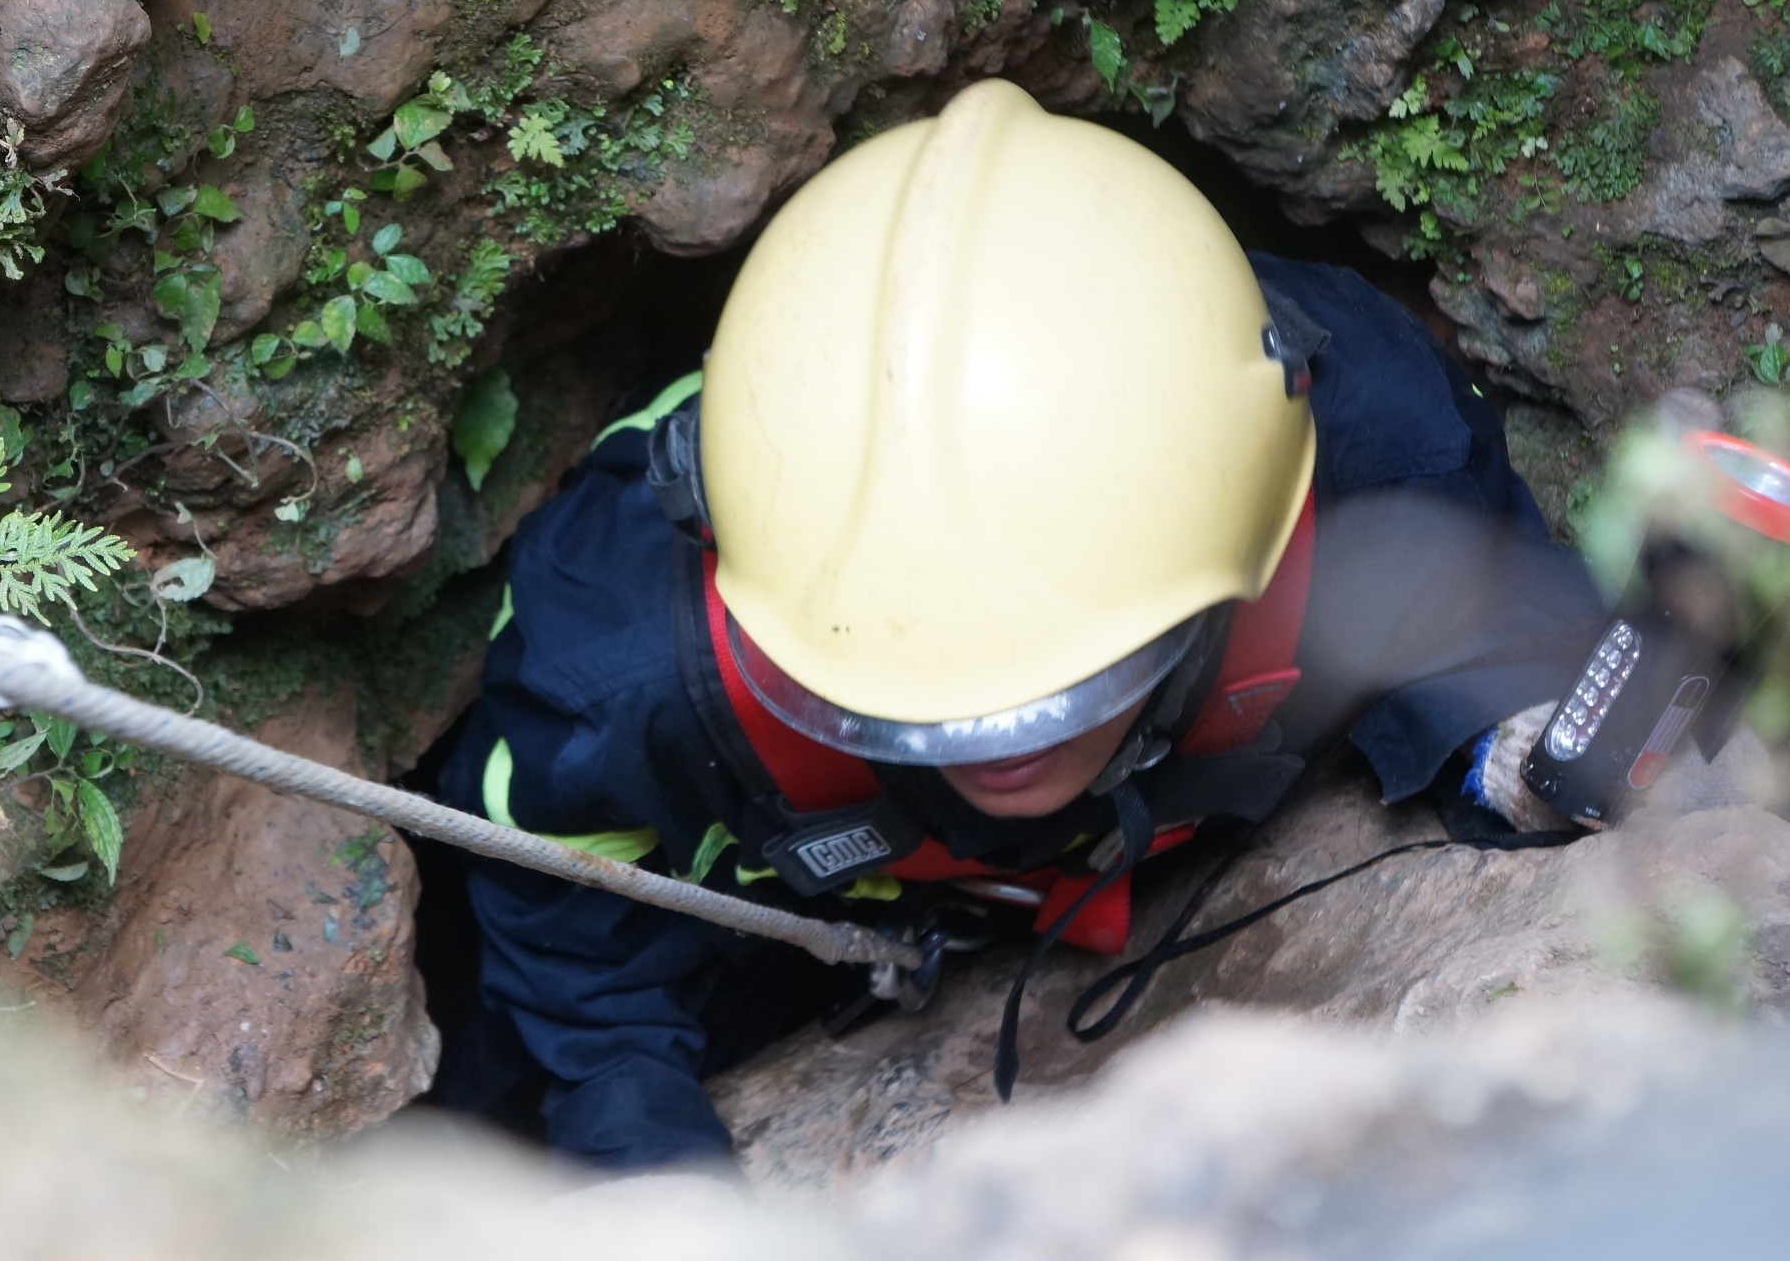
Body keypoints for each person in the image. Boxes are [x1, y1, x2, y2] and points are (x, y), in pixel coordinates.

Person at [430, 80, 1604, 1169]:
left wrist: (1506, 742)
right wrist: (644, 1158)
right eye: (923, 702)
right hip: (796, 906)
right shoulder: (623, 668)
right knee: (503, 1112)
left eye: (1055, 689)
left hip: (1131, 818)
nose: (995, 745)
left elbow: (1478, 616)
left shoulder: (1341, 440)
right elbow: (565, 917)